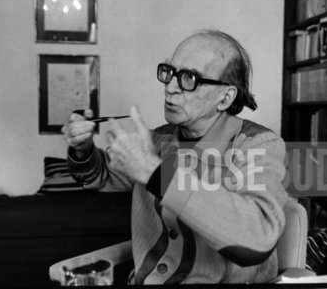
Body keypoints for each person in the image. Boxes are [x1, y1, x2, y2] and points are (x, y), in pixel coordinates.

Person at [61, 30, 288, 284]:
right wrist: (83, 150)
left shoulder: (257, 145)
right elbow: (98, 176)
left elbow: (257, 239)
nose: (170, 87)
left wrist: (156, 173)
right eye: (170, 72)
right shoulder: (158, 140)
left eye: (189, 78)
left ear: (225, 97)